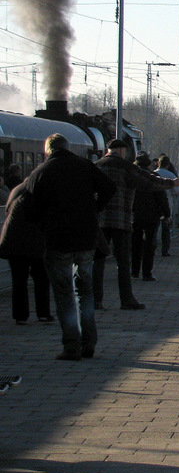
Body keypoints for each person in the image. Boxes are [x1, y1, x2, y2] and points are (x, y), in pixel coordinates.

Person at [21, 133, 115, 360]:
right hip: (86, 239)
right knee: (85, 292)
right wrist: (95, 208)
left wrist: (44, 221)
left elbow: (28, 209)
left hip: (58, 240)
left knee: (64, 295)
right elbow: (109, 188)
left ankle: (72, 346)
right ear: (67, 147)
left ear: (48, 151)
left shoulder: (41, 172)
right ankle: (89, 342)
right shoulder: (84, 165)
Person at [93, 140, 179, 311]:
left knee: (98, 261)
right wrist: (172, 183)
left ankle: (96, 299)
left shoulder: (95, 166)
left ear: (108, 150)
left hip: (99, 221)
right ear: (122, 150)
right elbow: (149, 182)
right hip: (121, 220)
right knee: (123, 261)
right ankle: (126, 299)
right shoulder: (126, 167)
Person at [0, 180, 54, 324]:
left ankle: (20, 316)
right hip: (34, 242)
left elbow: (7, 210)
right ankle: (43, 313)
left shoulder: (17, 190)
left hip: (13, 240)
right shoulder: (42, 194)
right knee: (41, 277)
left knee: (19, 280)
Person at [130, 154, 169, 282]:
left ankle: (134, 271)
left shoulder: (132, 178)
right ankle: (147, 273)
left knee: (135, 243)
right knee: (149, 244)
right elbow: (162, 197)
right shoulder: (154, 178)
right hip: (152, 215)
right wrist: (166, 213)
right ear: (148, 164)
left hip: (135, 215)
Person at [153, 155, 178, 255]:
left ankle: (152, 248)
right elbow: (176, 190)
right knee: (166, 228)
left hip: (153, 204)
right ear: (168, 164)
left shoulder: (153, 174)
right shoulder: (171, 175)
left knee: (154, 229)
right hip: (167, 203)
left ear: (158, 163)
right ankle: (165, 250)